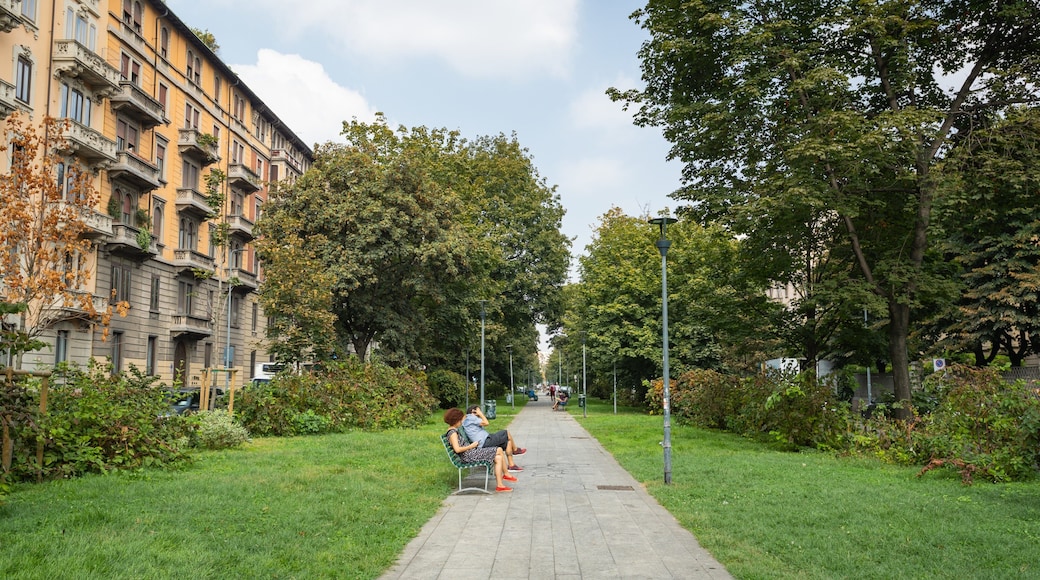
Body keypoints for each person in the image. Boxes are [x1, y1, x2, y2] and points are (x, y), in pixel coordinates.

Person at [443, 408, 516, 492]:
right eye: (460, 420)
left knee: (498, 458)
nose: (461, 422)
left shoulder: (453, 431)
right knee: (499, 449)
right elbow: (457, 449)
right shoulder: (453, 433)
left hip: (470, 453)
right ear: (456, 420)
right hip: (469, 456)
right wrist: (471, 446)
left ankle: (500, 485)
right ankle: (506, 474)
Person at [462, 405, 526, 472]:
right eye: (479, 410)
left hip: (485, 441)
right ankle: (515, 450)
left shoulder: (469, 419)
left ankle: (511, 465)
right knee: (505, 433)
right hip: (485, 442)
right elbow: (486, 423)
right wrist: (480, 414)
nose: (480, 412)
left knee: (507, 442)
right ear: (473, 411)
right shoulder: (471, 417)